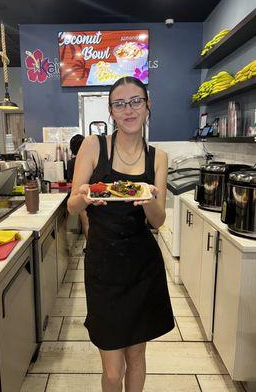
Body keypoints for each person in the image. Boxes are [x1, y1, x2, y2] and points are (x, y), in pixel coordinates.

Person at [67, 76, 174, 392]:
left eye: (136, 101)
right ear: (111, 111)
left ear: (147, 105)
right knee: (113, 371)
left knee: (137, 356)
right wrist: (84, 196)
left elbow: (158, 220)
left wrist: (149, 200)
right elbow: (72, 206)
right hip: (103, 265)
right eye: (120, 103)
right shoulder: (93, 145)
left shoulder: (159, 157)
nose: (128, 110)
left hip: (143, 267)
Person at [67, 133, 89, 240]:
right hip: (89, 193)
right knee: (90, 223)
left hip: (79, 196)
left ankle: (89, 246)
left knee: (86, 223)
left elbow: (70, 180)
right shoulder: (89, 161)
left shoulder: (71, 163)